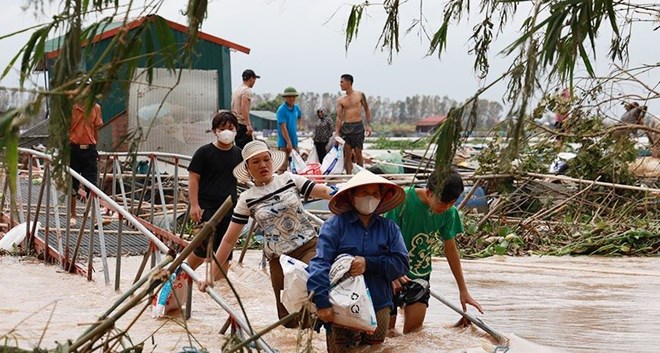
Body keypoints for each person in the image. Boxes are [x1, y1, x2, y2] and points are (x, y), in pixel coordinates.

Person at [198, 140, 333, 328]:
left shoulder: (289, 179)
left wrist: (344, 194)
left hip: (308, 247)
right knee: (289, 320)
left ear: (271, 160)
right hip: (278, 259)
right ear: (247, 168)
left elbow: (324, 191)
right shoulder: (247, 199)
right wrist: (211, 276)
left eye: (265, 159)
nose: (262, 165)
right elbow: (228, 240)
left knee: (316, 288)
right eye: (255, 162)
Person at [307, 170, 409, 352]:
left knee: (375, 350)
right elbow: (320, 263)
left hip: (379, 305)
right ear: (351, 196)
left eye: (375, 194)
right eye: (364, 193)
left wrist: (368, 264)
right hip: (341, 306)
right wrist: (322, 302)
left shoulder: (389, 229)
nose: (370, 198)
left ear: (381, 197)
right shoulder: (334, 226)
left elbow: (401, 264)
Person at [384, 170, 483, 334]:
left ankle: (455, 328)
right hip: (390, 273)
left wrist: (463, 290)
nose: (446, 208)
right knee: (387, 335)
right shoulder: (403, 201)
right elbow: (382, 238)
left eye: (451, 203)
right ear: (429, 193)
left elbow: (450, 249)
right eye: (443, 203)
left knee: (413, 336)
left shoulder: (449, 212)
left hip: (420, 274)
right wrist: (390, 272)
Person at [185, 111, 243, 274]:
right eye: (222, 128)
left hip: (229, 209)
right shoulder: (204, 153)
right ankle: (184, 275)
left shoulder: (238, 153)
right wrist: (194, 205)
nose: (226, 131)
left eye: (230, 128)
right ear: (214, 131)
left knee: (225, 254)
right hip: (207, 208)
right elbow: (193, 179)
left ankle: (219, 291)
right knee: (201, 252)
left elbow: (245, 176)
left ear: (236, 130)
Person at [68, 87, 103, 227]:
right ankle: (73, 214)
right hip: (74, 149)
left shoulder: (96, 108)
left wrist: (95, 148)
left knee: (92, 184)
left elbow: (96, 130)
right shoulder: (71, 108)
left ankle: (93, 216)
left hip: (89, 150)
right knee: (73, 185)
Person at [336, 74, 372, 174]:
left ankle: (361, 175)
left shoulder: (360, 95)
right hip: (346, 127)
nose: (340, 84)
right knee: (347, 154)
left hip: (358, 126)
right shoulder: (341, 100)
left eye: (342, 82)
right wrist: (337, 132)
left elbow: (367, 110)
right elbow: (339, 117)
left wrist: (368, 125)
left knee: (358, 153)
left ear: (348, 82)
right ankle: (349, 176)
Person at [231, 69, 260, 149]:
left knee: (239, 148)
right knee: (247, 150)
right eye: (254, 79)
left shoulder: (237, 89)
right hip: (242, 124)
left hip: (236, 122)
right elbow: (244, 107)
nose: (254, 82)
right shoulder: (247, 90)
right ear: (251, 79)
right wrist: (248, 125)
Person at [276, 87, 302, 173]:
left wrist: (297, 125)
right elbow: (283, 128)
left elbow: (299, 116)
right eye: (289, 97)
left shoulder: (296, 108)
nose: (291, 99)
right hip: (284, 142)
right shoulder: (281, 110)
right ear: (285, 98)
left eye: (293, 97)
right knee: (283, 166)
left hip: (294, 140)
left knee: (297, 165)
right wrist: (288, 143)